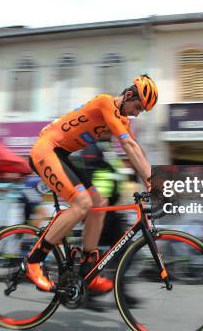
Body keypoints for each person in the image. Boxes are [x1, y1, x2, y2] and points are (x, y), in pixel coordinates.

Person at [26, 74, 157, 293]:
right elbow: (130, 149)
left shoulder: (121, 119)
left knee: (99, 202)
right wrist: (152, 184)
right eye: (137, 106)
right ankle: (33, 261)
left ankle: (88, 267)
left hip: (62, 154)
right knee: (82, 204)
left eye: (141, 111)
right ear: (129, 95)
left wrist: (155, 181)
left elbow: (136, 148)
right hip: (46, 150)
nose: (136, 113)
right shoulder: (106, 103)